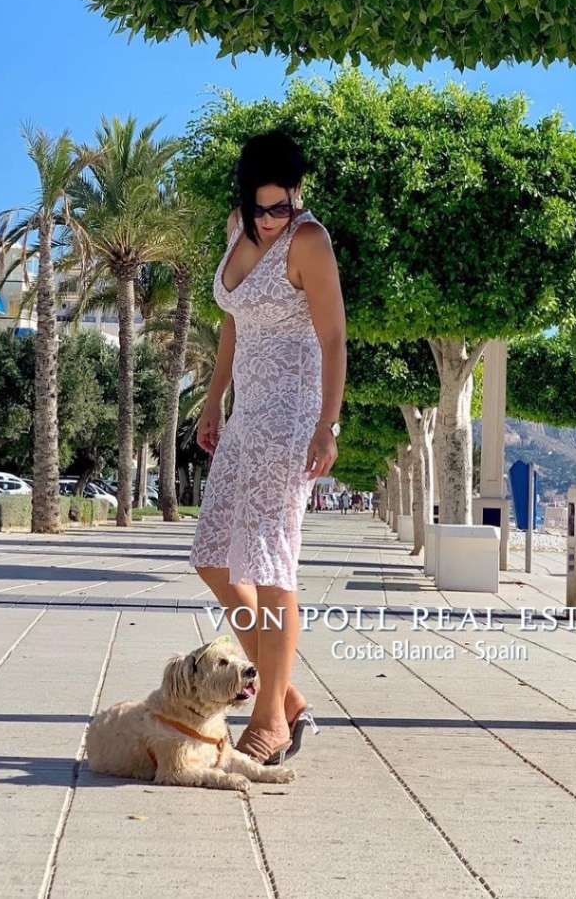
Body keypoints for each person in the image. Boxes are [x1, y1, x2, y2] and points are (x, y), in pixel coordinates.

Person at [189, 129, 347, 765]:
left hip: (290, 421)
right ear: (246, 201)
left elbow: (334, 337)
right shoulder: (238, 229)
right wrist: (212, 397)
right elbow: (234, 319)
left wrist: (327, 425)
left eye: (286, 205)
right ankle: (287, 696)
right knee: (212, 556)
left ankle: (271, 720)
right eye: (265, 208)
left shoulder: (309, 240)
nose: (276, 218)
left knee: (271, 568)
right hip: (246, 414)